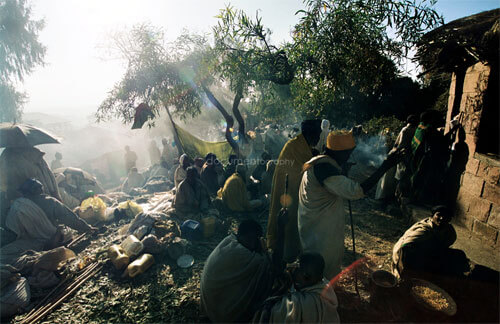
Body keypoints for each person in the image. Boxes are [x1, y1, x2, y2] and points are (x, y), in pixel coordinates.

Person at [298, 130, 401, 279]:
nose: (349, 156)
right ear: (339, 152)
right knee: (322, 267)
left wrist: (343, 171)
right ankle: (321, 297)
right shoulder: (324, 169)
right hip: (320, 230)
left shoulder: (321, 162)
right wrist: (384, 167)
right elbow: (356, 191)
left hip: (315, 224)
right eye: (348, 153)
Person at [1, 179, 96, 265]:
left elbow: (13, 230)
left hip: (33, 242)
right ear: (40, 189)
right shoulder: (50, 201)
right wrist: (87, 228)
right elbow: (70, 218)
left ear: (25, 193)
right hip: (55, 238)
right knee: (63, 232)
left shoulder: (18, 206)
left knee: (5, 253)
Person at [266, 119, 322, 262]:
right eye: (318, 134)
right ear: (311, 134)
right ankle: (284, 255)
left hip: (295, 188)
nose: (320, 137)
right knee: (287, 220)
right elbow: (303, 168)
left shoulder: (302, 146)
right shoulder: (293, 146)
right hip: (287, 189)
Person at [200, 220, 273, 323]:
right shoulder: (244, 255)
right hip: (221, 315)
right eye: (252, 240)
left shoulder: (228, 240)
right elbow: (269, 264)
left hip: (208, 307)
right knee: (265, 277)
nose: (254, 244)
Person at [253, 253, 340, 323]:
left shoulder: (300, 304)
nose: (293, 271)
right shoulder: (325, 287)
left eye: (296, 268)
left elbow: (275, 312)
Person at [392, 205, 469, 279]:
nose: (442, 218)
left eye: (446, 216)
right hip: (413, 254)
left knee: (459, 254)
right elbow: (404, 246)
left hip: (430, 254)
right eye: (438, 215)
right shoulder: (424, 230)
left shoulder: (449, 232)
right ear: (432, 216)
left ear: (449, 219)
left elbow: (444, 246)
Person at [0, 146, 61, 218]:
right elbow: (50, 177)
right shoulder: (37, 154)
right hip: (42, 195)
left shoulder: (7, 155)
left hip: (19, 200)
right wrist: (56, 194)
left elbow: (3, 182)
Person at [394, 115, 419, 198]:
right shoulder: (408, 130)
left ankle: (399, 195)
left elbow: (397, 142)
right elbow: (401, 144)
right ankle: (399, 195)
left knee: (402, 175)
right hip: (405, 154)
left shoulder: (406, 129)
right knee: (403, 176)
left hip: (404, 154)